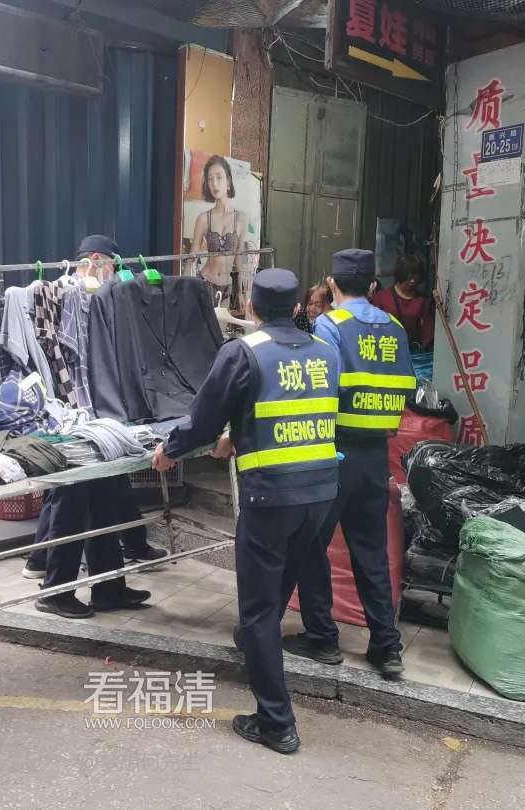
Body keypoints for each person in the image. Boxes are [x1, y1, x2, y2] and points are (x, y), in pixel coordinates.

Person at [152, 268, 340, 755]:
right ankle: (257, 647)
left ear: (252, 308)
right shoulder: (326, 351)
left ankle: (276, 723)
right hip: (321, 493)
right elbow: (297, 408)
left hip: (270, 496)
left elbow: (204, 417)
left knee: (258, 609)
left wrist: (172, 448)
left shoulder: (243, 351)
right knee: (275, 595)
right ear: (296, 308)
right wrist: (238, 435)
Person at [284, 249, 417, 679]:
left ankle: (322, 638)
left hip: (334, 452)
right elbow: (408, 387)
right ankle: (386, 646)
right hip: (376, 455)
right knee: (370, 551)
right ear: (374, 286)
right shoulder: (395, 328)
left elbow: (318, 386)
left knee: (310, 545)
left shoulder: (329, 325)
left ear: (332, 284)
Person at [22, 234, 166, 586]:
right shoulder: (70, 295)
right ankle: (51, 567)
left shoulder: (96, 295)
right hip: (79, 410)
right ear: (98, 260)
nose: (114, 273)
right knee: (74, 489)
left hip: (97, 409)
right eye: (113, 265)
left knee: (102, 484)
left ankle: (114, 555)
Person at [190, 156, 247, 306]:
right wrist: (185, 289)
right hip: (205, 282)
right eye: (210, 179)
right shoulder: (204, 218)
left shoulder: (241, 218)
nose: (214, 183)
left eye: (219, 177)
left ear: (228, 181)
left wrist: (241, 292)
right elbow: (191, 257)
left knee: (223, 322)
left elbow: (238, 258)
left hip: (228, 286)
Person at [371, 254, 434, 351]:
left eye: (416, 277)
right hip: (386, 350)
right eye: (409, 277)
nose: (412, 281)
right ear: (400, 275)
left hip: (413, 354)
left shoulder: (422, 301)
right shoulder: (381, 298)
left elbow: (428, 332)